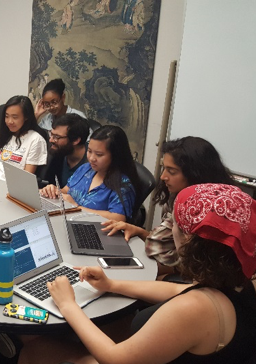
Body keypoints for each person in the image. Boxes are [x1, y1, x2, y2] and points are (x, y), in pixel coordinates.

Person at [19, 183, 256, 364]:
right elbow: (176, 289)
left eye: (174, 223)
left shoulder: (195, 309)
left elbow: (114, 358)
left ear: (189, 239)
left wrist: (67, 304)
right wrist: (111, 284)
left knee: (35, 350)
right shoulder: (236, 283)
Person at [101, 136, 234, 276]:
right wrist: (138, 231)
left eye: (171, 171)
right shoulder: (178, 196)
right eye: (164, 168)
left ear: (195, 173)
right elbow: (165, 244)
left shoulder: (211, 212)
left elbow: (197, 269)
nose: (163, 176)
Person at [40, 125, 138, 221]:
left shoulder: (122, 184)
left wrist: (76, 208)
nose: (91, 158)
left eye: (99, 155)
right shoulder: (86, 168)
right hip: (67, 219)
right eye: (89, 151)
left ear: (115, 156)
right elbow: (66, 190)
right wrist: (54, 191)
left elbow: (118, 218)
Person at [0, 96, 48, 181]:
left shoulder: (35, 140)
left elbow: (26, 178)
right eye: (7, 116)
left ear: (26, 117)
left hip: (11, 190)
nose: (10, 121)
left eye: (15, 117)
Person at [41, 113, 90, 186]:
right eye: (51, 134)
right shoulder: (57, 153)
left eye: (57, 137)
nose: (51, 140)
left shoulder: (92, 162)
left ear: (75, 140)